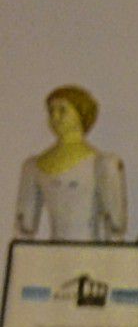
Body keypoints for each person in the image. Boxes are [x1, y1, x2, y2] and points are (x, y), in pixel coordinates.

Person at [15, 85, 129, 243]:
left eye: (62, 110)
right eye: (51, 111)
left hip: (89, 253)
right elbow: (25, 226)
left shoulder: (102, 163)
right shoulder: (33, 166)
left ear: (81, 113)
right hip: (52, 253)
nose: (55, 116)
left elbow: (115, 225)